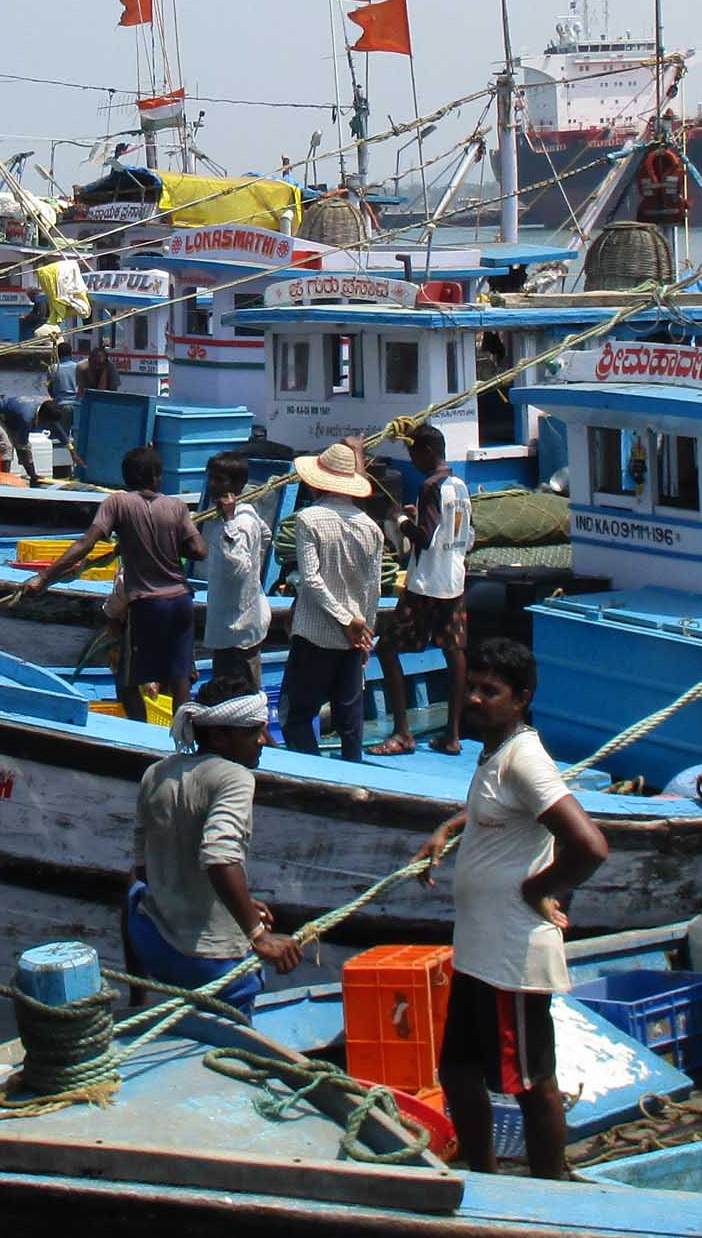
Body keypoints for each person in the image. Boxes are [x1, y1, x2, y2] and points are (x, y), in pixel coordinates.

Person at [417, 639, 609, 1179]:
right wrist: (449, 828)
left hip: (510, 954)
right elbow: (495, 809)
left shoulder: (525, 759)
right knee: (456, 1071)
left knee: (530, 1081)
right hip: (477, 950)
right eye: (471, 687)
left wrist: (536, 889)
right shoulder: (495, 753)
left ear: (521, 699)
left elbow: (589, 846)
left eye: (490, 691)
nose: (475, 699)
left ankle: (550, 1189)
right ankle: (483, 1173)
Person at [126, 670, 303, 1020]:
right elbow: (220, 857)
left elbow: (142, 872)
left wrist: (241, 903)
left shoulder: (156, 772)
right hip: (212, 966)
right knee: (242, 997)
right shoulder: (235, 777)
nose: (264, 740)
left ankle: (138, 999)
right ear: (221, 735)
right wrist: (258, 934)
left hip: (153, 946)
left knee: (132, 896)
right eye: (255, 731)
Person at [26, 445, 205, 721]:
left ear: (126, 478)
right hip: (182, 601)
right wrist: (166, 546)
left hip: (147, 604)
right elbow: (198, 550)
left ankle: (140, 734)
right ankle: (185, 738)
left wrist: (43, 577)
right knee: (180, 677)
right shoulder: (177, 506)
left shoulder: (116, 503)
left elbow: (86, 543)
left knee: (127, 681)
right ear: (157, 477)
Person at [375, 425, 476, 755]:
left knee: (387, 648)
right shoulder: (459, 485)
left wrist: (400, 520)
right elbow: (468, 534)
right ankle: (453, 735)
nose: (413, 461)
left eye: (414, 454)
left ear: (427, 451)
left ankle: (403, 733)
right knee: (454, 650)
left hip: (426, 584)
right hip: (454, 580)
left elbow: (425, 538)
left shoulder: (430, 486)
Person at [279, 440, 383, 759]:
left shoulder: (309, 519)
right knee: (350, 721)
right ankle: (350, 773)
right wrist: (364, 631)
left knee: (295, 715)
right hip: (353, 638)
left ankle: (310, 772)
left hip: (316, 632)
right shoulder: (372, 528)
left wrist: (344, 619)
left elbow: (311, 578)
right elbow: (373, 588)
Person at [199, 452, 271, 687]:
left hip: (238, 631)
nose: (213, 485)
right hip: (229, 627)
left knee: (241, 697)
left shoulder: (240, 521)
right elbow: (266, 534)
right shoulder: (241, 515)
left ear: (238, 485)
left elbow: (237, 567)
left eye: (220, 480)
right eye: (211, 478)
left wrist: (230, 521)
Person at [0, 392, 69, 484]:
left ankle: (32, 475)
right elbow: (22, 446)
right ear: (43, 417)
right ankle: (5, 479)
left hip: (12, 419)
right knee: (7, 446)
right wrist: (32, 474)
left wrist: (71, 449)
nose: (47, 425)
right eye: (47, 422)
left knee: (25, 447)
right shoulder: (27, 418)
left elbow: (57, 428)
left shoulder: (46, 410)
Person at [47, 337, 82, 408]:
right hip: (77, 404)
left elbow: (50, 389)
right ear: (71, 354)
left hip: (59, 404)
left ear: (57, 354)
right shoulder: (78, 367)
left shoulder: (52, 368)